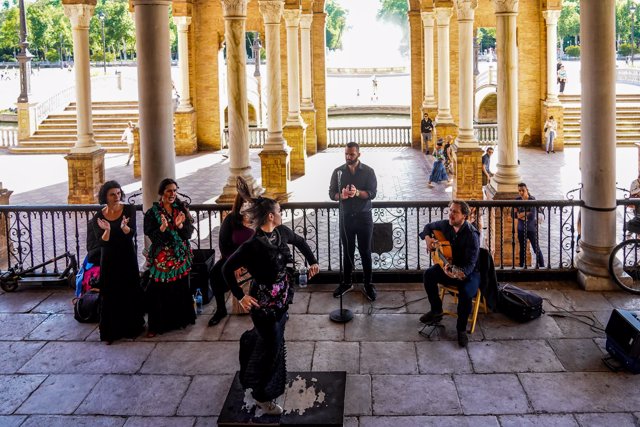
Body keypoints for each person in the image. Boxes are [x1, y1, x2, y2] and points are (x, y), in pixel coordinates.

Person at [222, 191, 319, 416]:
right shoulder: (251, 246)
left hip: (282, 298)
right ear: (270, 216)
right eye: (279, 211)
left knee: (272, 340)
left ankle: (251, 346)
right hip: (262, 305)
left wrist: (313, 261)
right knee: (272, 345)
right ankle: (261, 396)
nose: (282, 213)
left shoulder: (281, 232)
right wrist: (240, 295)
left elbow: (301, 242)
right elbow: (227, 268)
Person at [87, 181, 145, 344]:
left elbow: (131, 234)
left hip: (126, 254)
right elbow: (102, 242)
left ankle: (131, 327)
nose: (116, 197)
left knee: (129, 288)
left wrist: (124, 227)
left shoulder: (128, 209)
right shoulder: (98, 216)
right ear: (105, 196)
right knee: (111, 292)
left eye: (119, 193)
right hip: (109, 257)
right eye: (113, 194)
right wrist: (107, 230)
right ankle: (111, 330)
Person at [418, 200, 481, 347]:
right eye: (450, 210)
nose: (450, 214)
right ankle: (436, 310)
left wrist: (457, 273)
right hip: (449, 266)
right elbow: (428, 227)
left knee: (465, 292)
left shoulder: (472, 235)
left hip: (468, 273)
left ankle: (461, 330)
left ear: (464, 216)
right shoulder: (446, 225)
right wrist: (428, 239)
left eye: (455, 212)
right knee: (429, 275)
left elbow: (471, 265)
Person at [144, 178, 196, 337]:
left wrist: (180, 225)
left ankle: (180, 320)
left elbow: (188, 234)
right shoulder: (152, 213)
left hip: (180, 257)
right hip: (162, 260)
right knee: (158, 290)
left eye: (174, 190)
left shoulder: (180, 208)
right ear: (162, 193)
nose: (172, 194)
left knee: (180, 288)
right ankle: (157, 325)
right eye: (169, 191)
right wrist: (162, 228)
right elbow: (151, 235)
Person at [328, 141, 378, 301]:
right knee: (347, 252)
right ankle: (346, 282)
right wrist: (340, 196)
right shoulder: (337, 172)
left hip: (364, 218)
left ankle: (368, 284)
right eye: (346, 154)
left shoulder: (369, 171)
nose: (348, 157)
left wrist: (357, 193)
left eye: (352, 154)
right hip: (346, 218)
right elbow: (331, 194)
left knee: (365, 252)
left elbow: (372, 193)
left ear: (358, 154)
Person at [208, 177, 256, 326]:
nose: (247, 207)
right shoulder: (230, 220)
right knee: (216, 272)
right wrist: (234, 264)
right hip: (234, 257)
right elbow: (223, 245)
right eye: (245, 203)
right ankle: (221, 309)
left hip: (255, 258)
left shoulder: (259, 220)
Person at [514, 183, 545, 268]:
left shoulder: (532, 199)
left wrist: (521, 214)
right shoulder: (517, 200)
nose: (521, 192)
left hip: (531, 229)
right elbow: (513, 215)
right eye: (519, 191)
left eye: (522, 190)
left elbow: (531, 216)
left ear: (527, 190)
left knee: (536, 249)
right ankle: (521, 267)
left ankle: (542, 267)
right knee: (522, 250)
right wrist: (525, 214)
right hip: (521, 229)